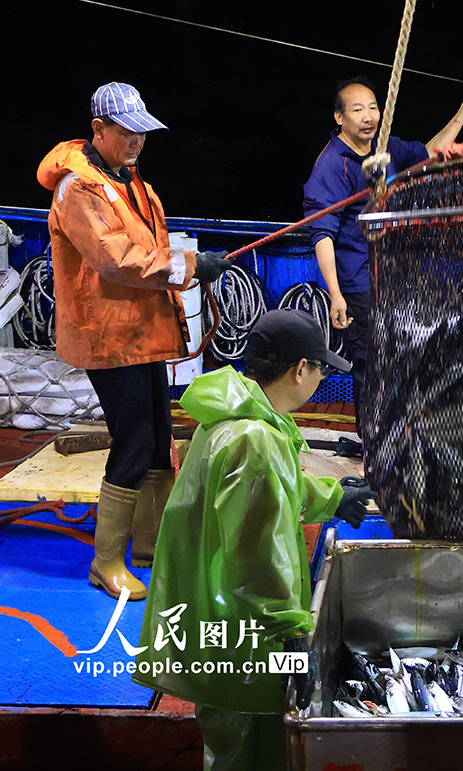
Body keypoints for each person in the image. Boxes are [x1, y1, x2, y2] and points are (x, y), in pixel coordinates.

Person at [133, 309, 374, 771]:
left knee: (230, 740)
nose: (322, 377)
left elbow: (268, 488)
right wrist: (291, 632)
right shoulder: (255, 440)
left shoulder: (230, 419)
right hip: (247, 636)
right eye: (321, 367)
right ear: (299, 369)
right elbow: (257, 556)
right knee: (249, 748)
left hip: (217, 619)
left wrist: (330, 496)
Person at [36, 82, 231, 601]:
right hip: (108, 336)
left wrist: (185, 270)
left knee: (158, 437)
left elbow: (144, 248)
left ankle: (149, 543)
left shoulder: (128, 180)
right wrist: (190, 266)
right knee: (134, 440)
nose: (137, 140)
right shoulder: (77, 189)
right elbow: (114, 257)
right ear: (98, 129)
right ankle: (106, 562)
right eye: (127, 131)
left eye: (143, 131)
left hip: (141, 333)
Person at [304, 76, 462, 449]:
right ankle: (375, 448)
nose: (368, 116)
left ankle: (403, 440)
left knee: (403, 356)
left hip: (394, 275)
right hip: (358, 280)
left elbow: (427, 151)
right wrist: (335, 295)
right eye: (357, 110)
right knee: (372, 364)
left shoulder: (383, 147)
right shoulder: (331, 167)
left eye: (373, 107)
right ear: (339, 117)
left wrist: (461, 115)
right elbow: (322, 235)